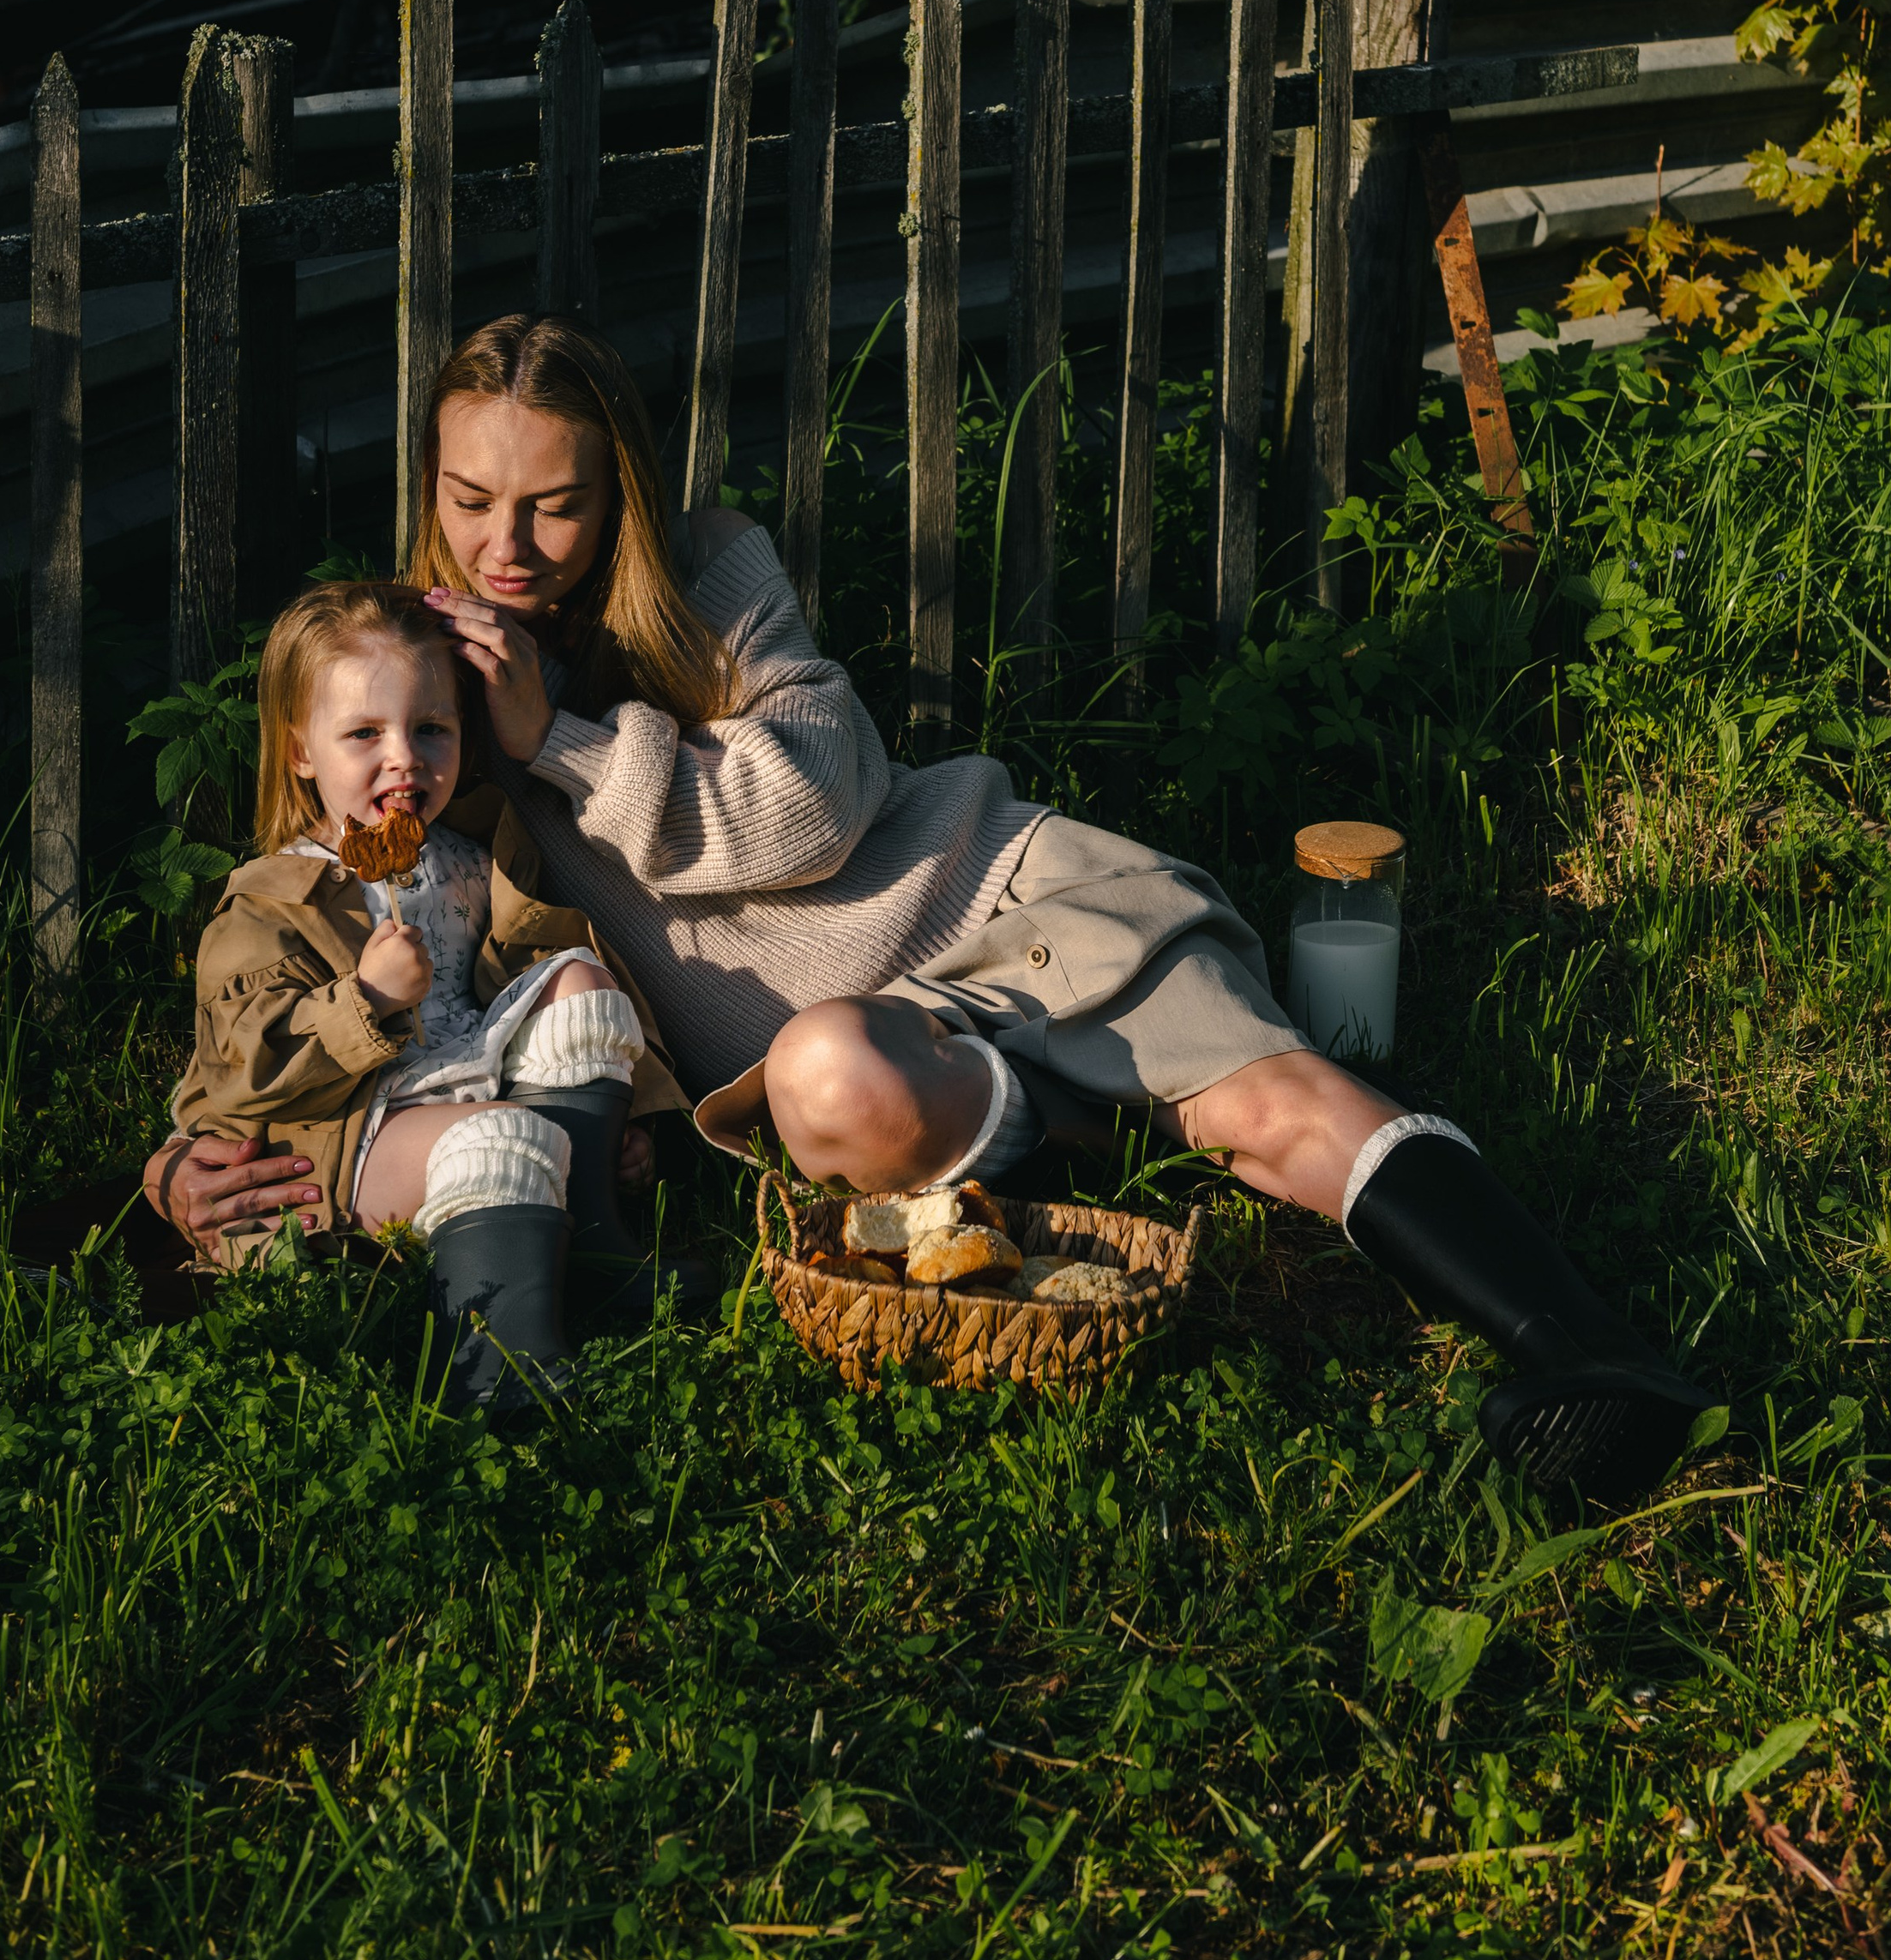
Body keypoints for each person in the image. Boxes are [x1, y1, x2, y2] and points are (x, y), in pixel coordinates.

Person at [149, 316, 1714, 1501]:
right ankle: (1102, 1136)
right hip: (868, 1044)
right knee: (828, 1075)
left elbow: (819, 801)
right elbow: (322, 925)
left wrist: (557, 736)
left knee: (1272, 1107)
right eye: (470, 499)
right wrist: (174, 1158)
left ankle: (1580, 1346)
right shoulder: (418, 688)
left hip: (997, 900)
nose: (507, 546)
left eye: (554, 506)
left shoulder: (711, 575)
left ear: (619, 492)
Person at [162, 574, 697, 1408]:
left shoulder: (472, 856)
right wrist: (366, 1001)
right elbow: (241, 1070)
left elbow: (520, 992)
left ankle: (591, 1238)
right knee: (496, 1136)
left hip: (477, 1080)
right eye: (364, 733)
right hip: (356, 1133)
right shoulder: (270, 902)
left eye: (431, 728)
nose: (405, 757)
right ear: (301, 752)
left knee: (579, 976)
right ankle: (496, 1365)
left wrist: (607, 1131)